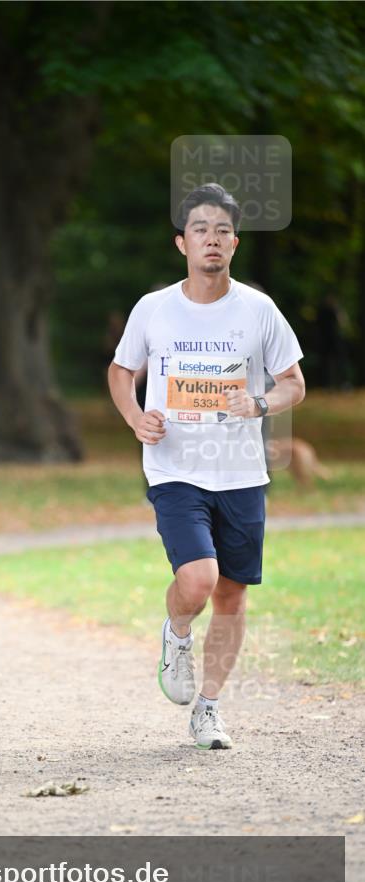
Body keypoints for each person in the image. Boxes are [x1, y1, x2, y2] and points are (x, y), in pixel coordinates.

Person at [108, 183, 305, 750]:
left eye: (222, 231)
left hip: (240, 472)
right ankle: (175, 633)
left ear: (235, 244)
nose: (212, 239)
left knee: (233, 596)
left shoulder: (258, 309)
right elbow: (123, 372)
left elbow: (294, 383)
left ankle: (209, 709)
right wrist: (133, 416)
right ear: (182, 243)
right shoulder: (154, 308)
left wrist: (260, 402)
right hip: (174, 467)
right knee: (199, 577)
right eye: (201, 230)